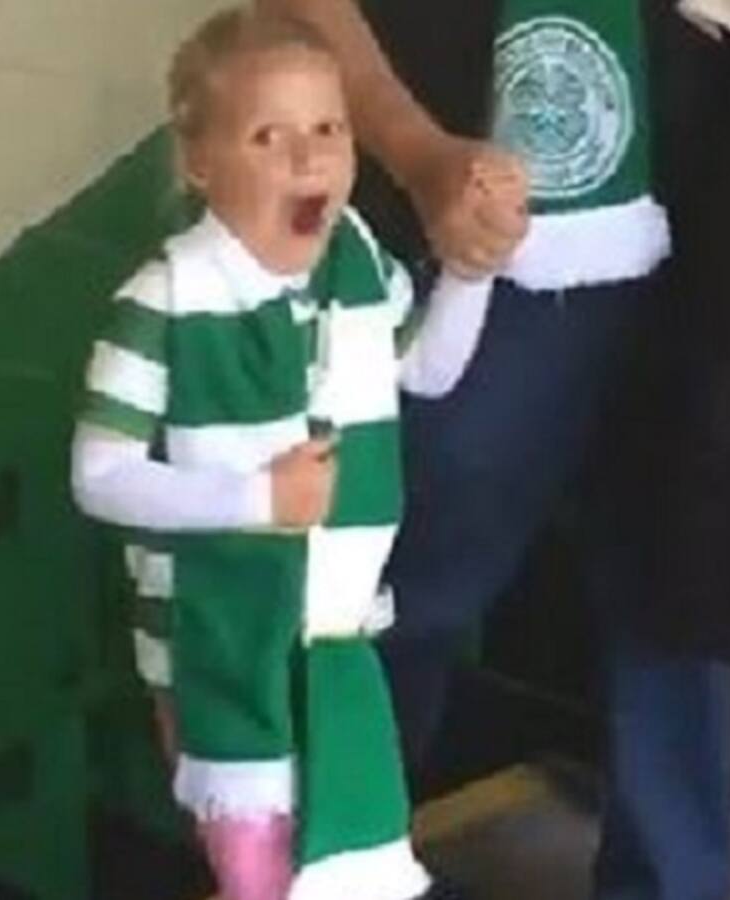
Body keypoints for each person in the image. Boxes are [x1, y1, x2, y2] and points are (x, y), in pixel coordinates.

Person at [264, 0, 730, 898]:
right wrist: (418, 150)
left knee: (696, 553)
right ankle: (329, 861)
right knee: (413, 550)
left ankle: (668, 880)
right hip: (504, 163)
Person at [69, 8, 489, 899]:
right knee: (260, 876)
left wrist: (473, 270)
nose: (309, 159)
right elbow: (98, 475)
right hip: (215, 643)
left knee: (343, 867)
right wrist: (255, 502)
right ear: (200, 161)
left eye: (330, 130)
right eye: (270, 135)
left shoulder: (362, 266)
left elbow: (430, 369)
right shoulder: (167, 299)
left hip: (335, 638)